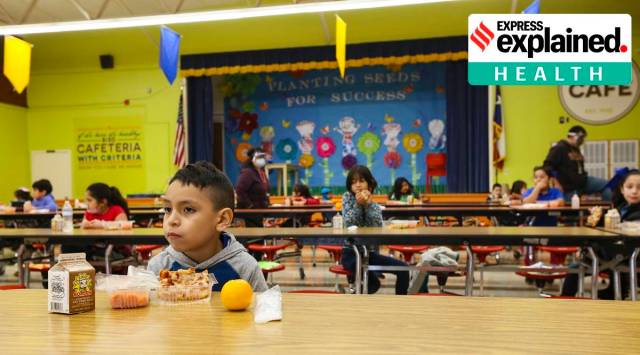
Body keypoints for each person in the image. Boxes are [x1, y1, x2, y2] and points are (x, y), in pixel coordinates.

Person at [148, 161, 268, 292]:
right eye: (167, 209)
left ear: (222, 219)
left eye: (188, 209)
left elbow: (264, 309)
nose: (172, 220)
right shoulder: (159, 267)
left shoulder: (245, 268)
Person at [561, 170, 640, 299]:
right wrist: (598, 218)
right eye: (630, 187)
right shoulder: (619, 208)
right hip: (611, 254)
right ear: (622, 189)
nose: (634, 191)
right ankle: (564, 301)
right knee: (574, 268)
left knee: (576, 267)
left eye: (639, 187)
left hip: (629, 256)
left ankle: (615, 293)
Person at [340, 165, 409, 295]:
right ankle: (353, 302)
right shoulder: (347, 198)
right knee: (373, 283)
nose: (358, 185)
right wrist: (358, 204)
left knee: (403, 269)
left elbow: (377, 227)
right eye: (353, 182)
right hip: (351, 254)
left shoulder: (374, 204)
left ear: (369, 184)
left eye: (361, 181)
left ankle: (401, 304)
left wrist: (368, 205)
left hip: (370, 254)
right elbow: (349, 223)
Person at [543, 125, 612, 201]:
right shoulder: (559, 148)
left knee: (608, 185)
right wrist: (556, 182)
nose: (582, 141)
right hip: (568, 188)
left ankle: (608, 209)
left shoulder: (576, 149)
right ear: (572, 136)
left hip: (583, 182)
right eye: (581, 138)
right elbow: (547, 166)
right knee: (572, 210)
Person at [235, 147, 270, 227]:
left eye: (262, 157)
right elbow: (239, 190)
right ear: (252, 159)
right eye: (258, 157)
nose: (261, 159)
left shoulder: (262, 172)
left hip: (260, 211)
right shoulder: (248, 172)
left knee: (260, 236)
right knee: (254, 238)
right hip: (250, 213)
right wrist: (249, 205)